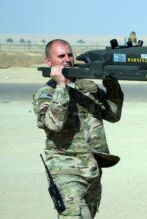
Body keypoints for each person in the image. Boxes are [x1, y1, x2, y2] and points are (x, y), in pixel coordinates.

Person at [32, 39, 124, 218]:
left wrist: (110, 81)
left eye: (70, 54)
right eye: (61, 56)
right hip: (65, 168)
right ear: (49, 61)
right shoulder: (45, 94)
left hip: (92, 168)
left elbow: (113, 114)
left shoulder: (86, 87)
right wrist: (61, 86)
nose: (67, 59)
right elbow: (54, 124)